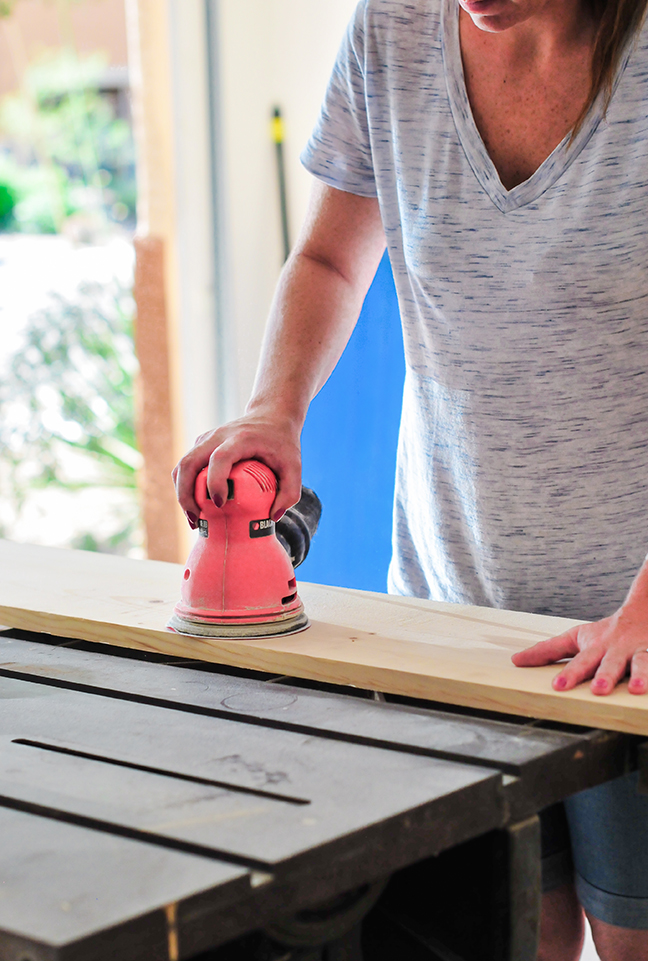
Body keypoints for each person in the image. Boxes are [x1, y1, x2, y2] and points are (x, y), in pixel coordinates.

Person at [174, 0, 648, 957]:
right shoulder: (393, 30)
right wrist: (276, 406)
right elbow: (328, 257)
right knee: (496, 934)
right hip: (454, 623)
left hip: (633, 643)